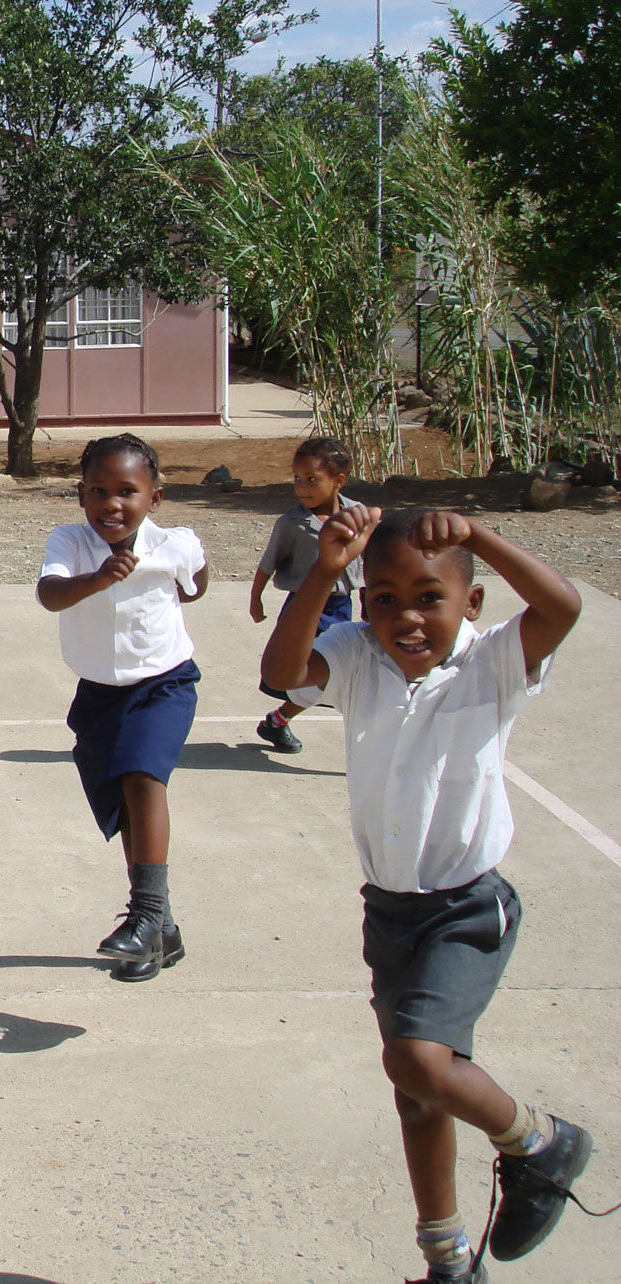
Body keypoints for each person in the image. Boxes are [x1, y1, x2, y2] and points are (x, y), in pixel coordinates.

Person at [261, 506, 598, 1281]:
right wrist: (324, 570)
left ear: (470, 605)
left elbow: (563, 607)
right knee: (419, 1092)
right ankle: (447, 1259)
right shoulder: (354, 654)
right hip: (390, 912)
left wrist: (477, 537)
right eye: (383, 598)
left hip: (468, 909)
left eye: (427, 598)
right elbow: (283, 673)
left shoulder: (493, 662)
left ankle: (542, 1142)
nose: (405, 618)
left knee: (414, 1057)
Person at [37, 434, 208, 984]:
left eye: (127, 492)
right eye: (98, 491)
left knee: (142, 779)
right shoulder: (70, 541)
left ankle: (146, 919)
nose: (112, 503)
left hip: (164, 685)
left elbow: (197, 580)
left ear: (154, 498)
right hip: (99, 695)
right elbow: (51, 595)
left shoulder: (174, 542)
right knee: (125, 806)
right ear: (81, 495)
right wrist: (98, 578)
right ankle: (162, 930)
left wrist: (188, 584)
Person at [251, 437, 364, 753]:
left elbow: (369, 561)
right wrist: (255, 598)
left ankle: (279, 720)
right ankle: (282, 720)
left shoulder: (358, 515)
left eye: (312, 480)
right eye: (297, 479)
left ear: (338, 481)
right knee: (324, 675)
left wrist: (373, 599)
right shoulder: (292, 523)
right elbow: (268, 563)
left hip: (342, 607)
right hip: (303, 608)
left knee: (333, 675)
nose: (302, 487)